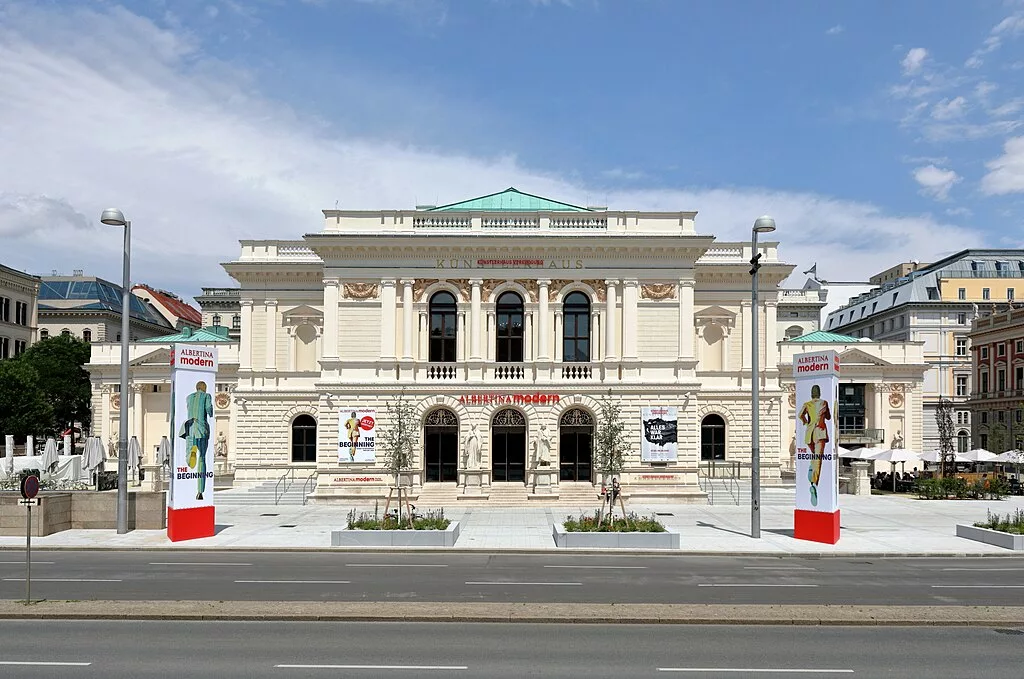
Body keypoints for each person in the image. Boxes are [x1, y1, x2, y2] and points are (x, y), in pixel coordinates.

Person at [798, 384, 832, 507]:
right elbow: (828, 417)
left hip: (810, 433)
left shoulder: (807, 404)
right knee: (818, 459)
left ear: (812, 394)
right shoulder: (824, 403)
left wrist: (806, 423)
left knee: (814, 456)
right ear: (819, 393)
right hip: (820, 432)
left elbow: (800, 415)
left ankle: (812, 468)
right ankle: (814, 483)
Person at [184, 380, 213, 501]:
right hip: (201, 429)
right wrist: (211, 411)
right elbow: (208, 410)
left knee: (190, 448)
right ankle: (200, 491)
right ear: (204, 388)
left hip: (190, 428)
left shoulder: (189, 397)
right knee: (202, 459)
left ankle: (190, 454)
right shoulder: (206, 396)